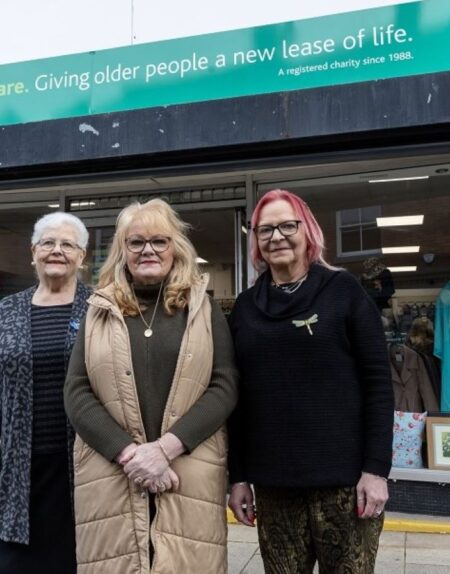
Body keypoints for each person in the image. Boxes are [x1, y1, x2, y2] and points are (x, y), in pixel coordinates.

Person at [64, 198, 238, 573]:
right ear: (121, 251)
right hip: (112, 476)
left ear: (176, 247)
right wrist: (131, 456)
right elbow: (77, 393)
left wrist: (163, 450)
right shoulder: (98, 310)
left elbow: (224, 386)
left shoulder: (202, 310)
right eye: (136, 242)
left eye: (159, 240)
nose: (148, 250)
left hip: (187, 473)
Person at [227, 189, 394, 574]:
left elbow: (378, 386)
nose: (276, 236)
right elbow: (237, 400)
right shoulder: (245, 308)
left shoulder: (344, 292)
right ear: (255, 240)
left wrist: (376, 470)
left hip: (345, 485)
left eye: (288, 225)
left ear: (308, 231)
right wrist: (238, 478)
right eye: (264, 229)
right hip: (275, 486)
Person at [0, 212, 93, 574]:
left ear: (81, 256)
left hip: (84, 470)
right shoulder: (5, 312)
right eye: (48, 243)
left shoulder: (101, 308)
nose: (57, 251)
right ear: (33, 252)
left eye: (68, 244)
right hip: (19, 473)